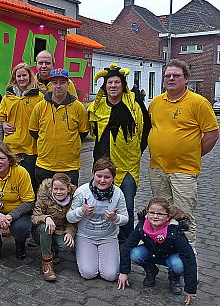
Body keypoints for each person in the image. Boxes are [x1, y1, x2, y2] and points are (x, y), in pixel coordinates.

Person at [148, 59, 219, 251]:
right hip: (157, 169)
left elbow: (212, 134)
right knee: (161, 216)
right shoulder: (155, 103)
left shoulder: (198, 103)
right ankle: (165, 256)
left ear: (186, 79)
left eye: (176, 75)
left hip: (184, 171)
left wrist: (193, 153)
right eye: (167, 76)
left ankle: (187, 264)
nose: (171, 79)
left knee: (183, 218)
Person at [88, 62, 150, 245]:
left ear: (123, 85)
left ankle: (126, 243)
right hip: (103, 167)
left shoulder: (135, 107)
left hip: (128, 166)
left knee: (126, 208)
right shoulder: (97, 107)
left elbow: (144, 133)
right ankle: (103, 238)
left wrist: (134, 153)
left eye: (117, 82)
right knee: (100, 205)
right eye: (109, 83)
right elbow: (92, 132)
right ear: (105, 86)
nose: (113, 86)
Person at [118, 197, 197, 306]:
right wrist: (124, 272)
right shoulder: (142, 226)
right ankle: (151, 270)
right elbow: (127, 246)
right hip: (152, 253)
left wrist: (190, 289)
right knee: (135, 254)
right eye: (152, 213)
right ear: (147, 212)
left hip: (171, 256)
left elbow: (189, 258)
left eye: (160, 214)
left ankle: (174, 277)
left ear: (167, 216)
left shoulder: (175, 231)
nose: (155, 216)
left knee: (178, 265)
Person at [66, 157, 128, 282]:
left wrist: (115, 218)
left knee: (110, 275)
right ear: (93, 174)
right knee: (88, 273)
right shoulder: (82, 191)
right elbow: (69, 217)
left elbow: (125, 219)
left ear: (113, 177)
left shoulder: (118, 193)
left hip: (108, 237)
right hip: (85, 236)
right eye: (99, 176)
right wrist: (81, 211)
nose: (102, 180)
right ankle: (86, 253)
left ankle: (104, 255)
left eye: (107, 177)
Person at [29, 68, 89, 186]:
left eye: (62, 82)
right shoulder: (40, 106)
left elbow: (83, 132)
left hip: (69, 167)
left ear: (68, 84)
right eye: (55, 82)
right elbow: (33, 131)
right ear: (51, 84)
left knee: (68, 202)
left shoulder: (78, 107)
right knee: (44, 202)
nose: (58, 86)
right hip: (44, 165)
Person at [0, 62, 44, 193]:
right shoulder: (7, 97)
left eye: (24, 75)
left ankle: (29, 207)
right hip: (11, 146)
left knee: (29, 180)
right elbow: (0, 122)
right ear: (14, 78)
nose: (22, 79)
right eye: (19, 76)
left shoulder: (39, 97)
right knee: (11, 180)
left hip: (31, 148)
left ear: (30, 76)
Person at [31, 173, 76, 281]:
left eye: (62, 189)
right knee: (46, 229)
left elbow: (74, 220)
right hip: (41, 230)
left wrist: (70, 232)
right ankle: (47, 263)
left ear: (68, 189)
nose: (58, 192)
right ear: (51, 188)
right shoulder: (44, 196)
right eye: (56, 189)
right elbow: (34, 217)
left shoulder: (73, 199)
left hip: (60, 230)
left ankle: (53, 249)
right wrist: (46, 218)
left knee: (67, 245)